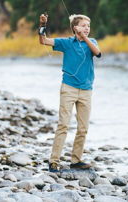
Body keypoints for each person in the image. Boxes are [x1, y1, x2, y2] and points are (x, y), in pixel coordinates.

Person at [38, 13, 101, 172]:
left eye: (88, 26)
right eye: (83, 25)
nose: (87, 28)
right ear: (75, 28)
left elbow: (98, 53)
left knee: (83, 128)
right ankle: (54, 161)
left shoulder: (91, 42)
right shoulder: (66, 43)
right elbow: (43, 41)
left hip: (86, 90)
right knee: (63, 125)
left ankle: (76, 160)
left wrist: (84, 37)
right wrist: (42, 25)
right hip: (69, 88)